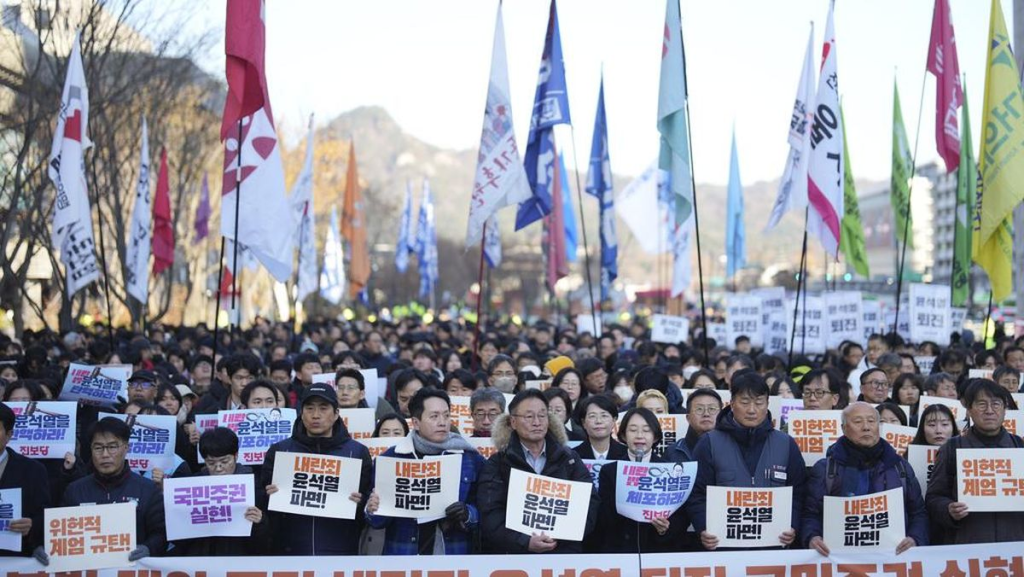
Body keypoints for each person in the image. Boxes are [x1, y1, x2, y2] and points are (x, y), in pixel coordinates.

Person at [687, 370, 806, 550]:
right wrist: (703, 527)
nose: (752, 410)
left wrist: (793, 525)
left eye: (759, 403)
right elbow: (696, 493)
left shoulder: (785, 443)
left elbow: (798, 492)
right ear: (732, 403)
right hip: (723, 548)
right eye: (744, 402)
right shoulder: (709, 443)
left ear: (767, 404)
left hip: (773, 547)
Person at [477, 389, 599, 553]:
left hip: (564, 552)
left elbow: (590, 500)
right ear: (513, 422)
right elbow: (491, 513)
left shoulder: (569, 458)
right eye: (529, 416)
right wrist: (524, 542)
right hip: (516, 555)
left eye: (542, 415)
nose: (537, 422)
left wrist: (562, 534)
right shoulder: (498, 463)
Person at [365, 389, 484, 554]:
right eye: (434, 416)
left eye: (446, 415)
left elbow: (486, 510)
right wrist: (372, 508)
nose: (442, 422)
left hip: (453, 554)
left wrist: (467, 513)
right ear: (416, 422)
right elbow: (377, 522)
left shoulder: (470, 459)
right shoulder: (390, 459)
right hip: (403, 555)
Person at [802, 402, 927, 555]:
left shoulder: (899, 466)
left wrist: (915, 538)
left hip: (893, 557)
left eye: (871, 421)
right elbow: (811, 513)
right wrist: (812, 537)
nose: (866, 427)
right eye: (858, 421)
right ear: (843, 428)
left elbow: (918, 512)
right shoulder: (826, 469)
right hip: (840, 557)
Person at [263, 384, 372, 555]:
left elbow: (369, 505)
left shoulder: (357, 452)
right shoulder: (280, 451)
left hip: (341, 549)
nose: (315, 415)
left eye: (323, 408)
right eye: (309, 408)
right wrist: (269, 495)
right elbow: (263, 504)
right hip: (290, 551)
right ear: (301, 413)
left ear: (336, 414)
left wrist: (361, 502)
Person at [50, 417, 165, 562]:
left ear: (126, 448)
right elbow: (59, 534)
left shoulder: (148, 490)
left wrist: (148, 548)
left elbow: (161, 534)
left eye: (112, 447)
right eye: (98, 448)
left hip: (131, 568)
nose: (105, 454)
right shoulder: (75, 490)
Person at [926, 379, 1024, 544]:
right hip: (969, 545)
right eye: (981, 404)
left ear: (1005, 409)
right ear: (969, 410)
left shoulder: (1019, 446)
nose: (989, 410)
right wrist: (948, 509)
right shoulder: (952, 448)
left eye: (996, 404)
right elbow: (933, 498)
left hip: (1015, 545)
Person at [595, 408, 688, 552]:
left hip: (657, 550)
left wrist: (664, 528)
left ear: (655, 436)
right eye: (633, 430)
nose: (639, 436)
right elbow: (603, 517)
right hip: (620, 549)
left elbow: (681, 516)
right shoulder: (610, 471)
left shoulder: (669, 471)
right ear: (623, 435)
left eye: (646, 430)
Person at [169, 427, 267, 556]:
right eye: (211, 463)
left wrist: (260, 522)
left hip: (239, 560)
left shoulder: (254, 486)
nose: (218, 468)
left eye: (224, 461)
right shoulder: (192, 487)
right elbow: (178, 540)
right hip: (199, 560)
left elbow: (265, 544)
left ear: (236, 456)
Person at [0, 403, 50, 557]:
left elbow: (45, 516)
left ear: (9, 434)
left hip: (15, 559)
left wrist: (32, 526)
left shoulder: (32, 470)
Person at [665, 389, 722, 462]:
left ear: (721, 415)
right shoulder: (673, 452)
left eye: (712, 409)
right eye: (699, 409)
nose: (706, 414)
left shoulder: (731, 447)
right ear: (688, 418)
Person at [574, 395, 626, 460]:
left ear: (614, 420)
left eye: (604, 416)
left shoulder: (626, 454)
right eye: (592, 416)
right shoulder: (573, 456)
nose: (598, 421)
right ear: (583, 422)